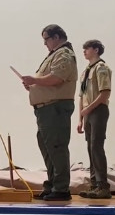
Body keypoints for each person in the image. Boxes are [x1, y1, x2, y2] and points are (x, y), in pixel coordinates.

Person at [21, 24, 78, 201]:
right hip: (46, 109)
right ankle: (53, 184)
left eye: (46, 39)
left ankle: (61, 188)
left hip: (55, 108)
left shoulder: (64, 54)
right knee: (48, 148)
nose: (45, 43)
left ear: (56, 37)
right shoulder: (54, 55)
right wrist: (33, 85)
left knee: (56, 147)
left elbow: (56, 78)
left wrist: (35, 80)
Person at [76, 39, 112, 199]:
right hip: (88, 112)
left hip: (98, 110)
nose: (84, 51)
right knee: (90, 148)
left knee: (97, 147)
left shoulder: (101, 68)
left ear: (96, 50)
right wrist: (80, 118)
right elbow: (81, 96)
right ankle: (94, 185)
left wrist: (88, 109)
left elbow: (105, 93)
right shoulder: (86, 71)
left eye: (87, 48)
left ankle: (103, 186)